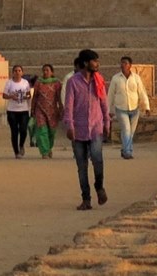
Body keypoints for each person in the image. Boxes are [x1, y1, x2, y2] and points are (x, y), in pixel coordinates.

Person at [60, 49, 109, 210]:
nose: (97, 64)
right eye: (95, 61)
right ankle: (86, 199)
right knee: (82, 167)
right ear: (86, 63)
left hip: (96, 127)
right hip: (78, 130)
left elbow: (103, 103)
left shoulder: (99, 80)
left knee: (97, 160)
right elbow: (69, 106)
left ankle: (99, 187)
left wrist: (107, 123)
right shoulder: (73, 82)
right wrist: (70, 126)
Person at [107, 56, 152, 160]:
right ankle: (128, 152)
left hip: (134, 109)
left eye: (125, 63)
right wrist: (109, 110)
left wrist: (147, 107)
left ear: (130, 65)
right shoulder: (116, 78)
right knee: (126, 129)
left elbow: (142, 92)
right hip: (121, 108)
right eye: (122, 63)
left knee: (130, 131)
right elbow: (110, 95)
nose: (123, 65)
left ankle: (124, 149)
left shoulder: (136, 78)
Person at [29, 63, 61, 159]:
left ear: (52, 72)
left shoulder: (57, 83)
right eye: (44, 70)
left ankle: (49, 148)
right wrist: (33, 109)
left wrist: (61, 108)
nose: (45, 72)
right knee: (42, 131)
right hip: (40, 110)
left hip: (53, 111)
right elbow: (35, 97)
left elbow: (59, 97)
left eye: (47, 70)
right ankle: (44, 152)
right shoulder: (39, 83)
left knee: (51, 132)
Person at [2, 64, 33, 158]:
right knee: (14, 131)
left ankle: (21, 145)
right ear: (13, 73)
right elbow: (4, 95)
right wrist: (11, 96)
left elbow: (29, 95)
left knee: (23, 130)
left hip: (23, 110)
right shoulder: (9, 83)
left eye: (19, 70)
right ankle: (16, 152)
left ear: (22, 72)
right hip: (12, 110)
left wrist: (24, 97)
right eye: (15, 71)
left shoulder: (25, 83)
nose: (17, 72)